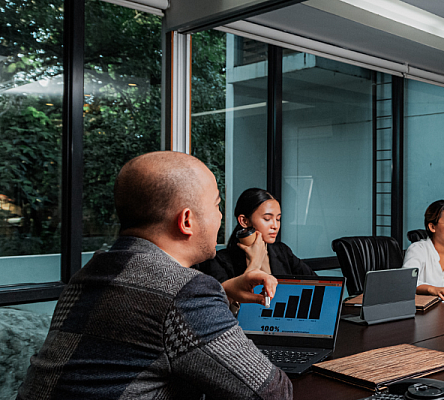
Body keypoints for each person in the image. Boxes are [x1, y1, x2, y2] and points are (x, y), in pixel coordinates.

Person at [17, 151, 291, 399]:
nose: (221, 218)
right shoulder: (185, 291)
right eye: (217, 205)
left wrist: (226, 292)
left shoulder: (89, 273)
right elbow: (271, 393)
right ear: (186, 221)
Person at [196, 188, 314, 309]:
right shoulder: (219, 261)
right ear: (244, 221)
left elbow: (317, 284)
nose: (275, 226)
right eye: (267, 219)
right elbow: (221, 311)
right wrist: (254, 263)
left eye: (278, 219)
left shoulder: (282, 252)